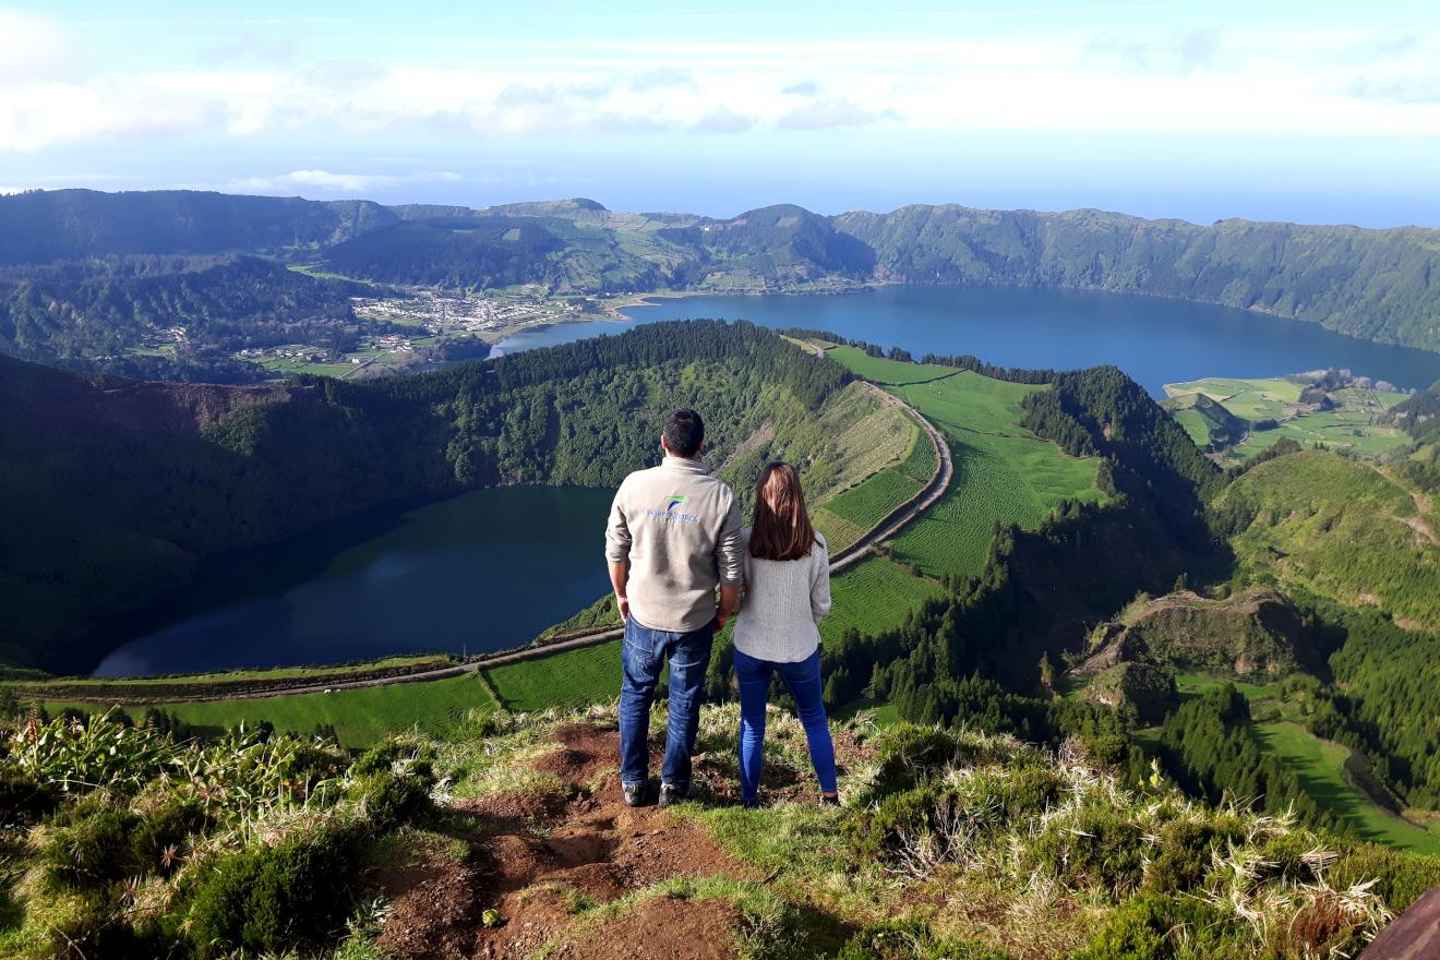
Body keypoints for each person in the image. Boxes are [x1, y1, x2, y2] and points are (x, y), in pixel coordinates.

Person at [604, 409, 743, 808]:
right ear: (701, 446)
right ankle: (673, 786)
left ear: (663, 444)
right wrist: (723, 611)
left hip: (643, 615)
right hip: (694, 619)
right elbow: (730, 571)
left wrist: (621, 595)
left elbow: (616, 549)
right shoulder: (719, 495)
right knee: (684, 701)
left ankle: (632, 783)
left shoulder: (634, 485)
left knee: (635, 695)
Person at [732, 462, 838, 808]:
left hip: (751, 645)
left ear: (762, 498)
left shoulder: (746, 542)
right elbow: (821, 605)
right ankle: (829, 795)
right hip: (799, 646)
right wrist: (801, 624)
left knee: (752, 725)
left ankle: (749, 799)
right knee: (814, 720)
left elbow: (736, 596)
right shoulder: (816, 545)